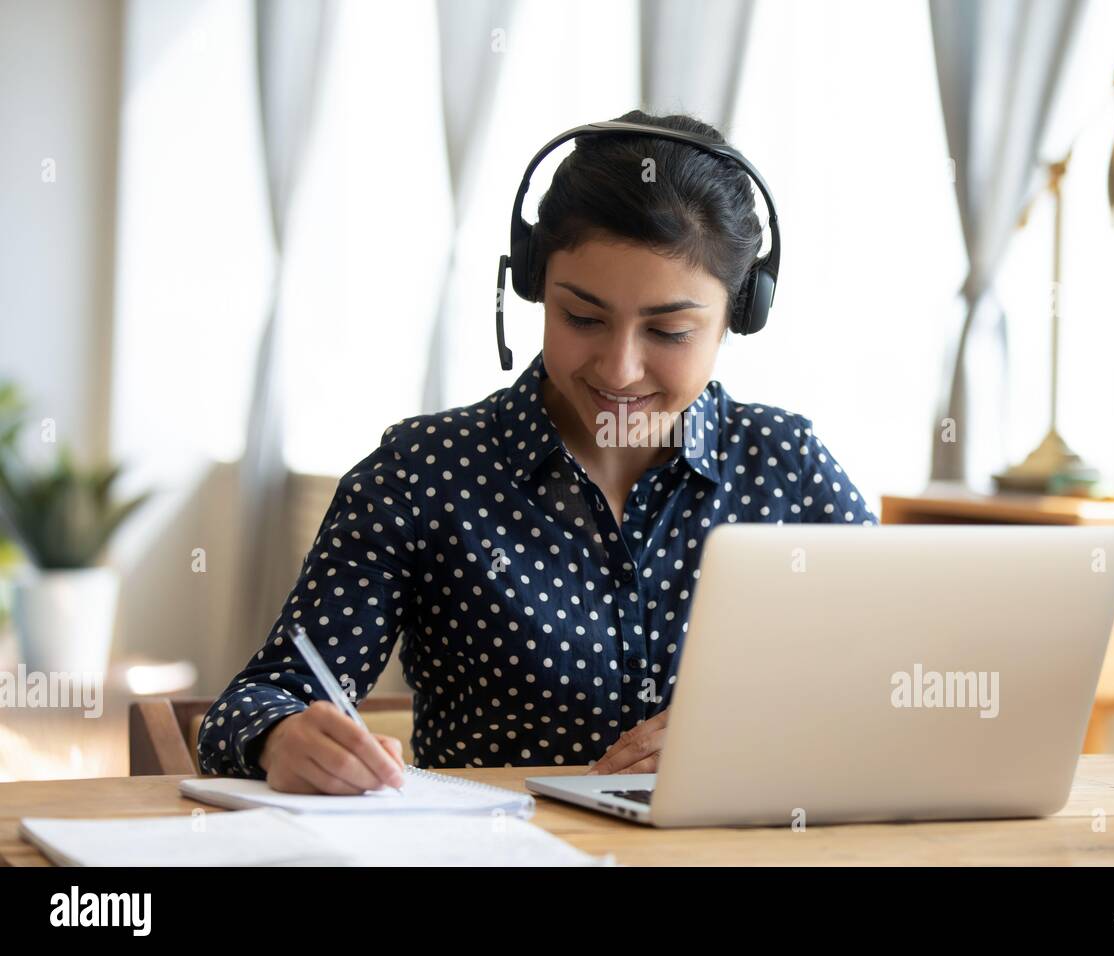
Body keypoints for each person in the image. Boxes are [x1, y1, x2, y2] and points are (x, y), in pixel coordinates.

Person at [197, 109, 878, 794]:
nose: (618, 369)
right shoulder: (423, 472)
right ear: (532, 288)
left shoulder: (788, 468)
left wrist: (756, 734)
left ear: (739, 316)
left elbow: (898, 681)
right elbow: (254, 703)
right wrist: (281, 737)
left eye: (669, 331)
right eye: (582, 318)